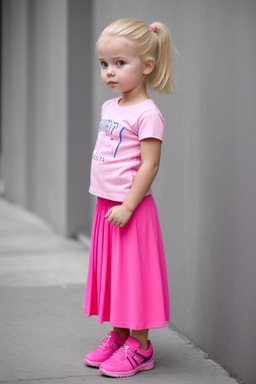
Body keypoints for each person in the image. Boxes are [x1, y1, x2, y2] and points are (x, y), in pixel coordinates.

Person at [84, 18, 175, 378]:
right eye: (104, 64)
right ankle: (120, 334)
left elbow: (150, 165)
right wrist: (111, 203)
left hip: (131, 210)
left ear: (147, 66)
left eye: (120, 63)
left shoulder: (148, 114)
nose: (109, 72)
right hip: (107, 206)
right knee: (115, 276)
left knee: (134, 276)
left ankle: (141, 346)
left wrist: (128, 205)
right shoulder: (110, 107)